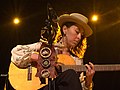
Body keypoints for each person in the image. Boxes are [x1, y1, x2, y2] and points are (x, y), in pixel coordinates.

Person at [10, 13, 95, 90]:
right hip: (41, 87)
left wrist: (88, 81)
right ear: (65, 29)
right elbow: (16, 52)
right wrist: (40, 58)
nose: (79, 37)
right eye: (77, 31)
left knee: (70, 75)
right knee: (71, 74)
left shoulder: (77, 61)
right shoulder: (46, 47)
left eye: (82, 34)